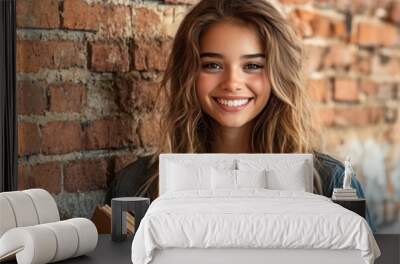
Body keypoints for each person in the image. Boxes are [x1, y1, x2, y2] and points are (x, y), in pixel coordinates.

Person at [105, 0, 376, 232]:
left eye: (252, 66)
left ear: (277, 75)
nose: (232, 82)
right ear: (188, 75)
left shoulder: (330, 183)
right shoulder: (136, 185)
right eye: (212, 65)